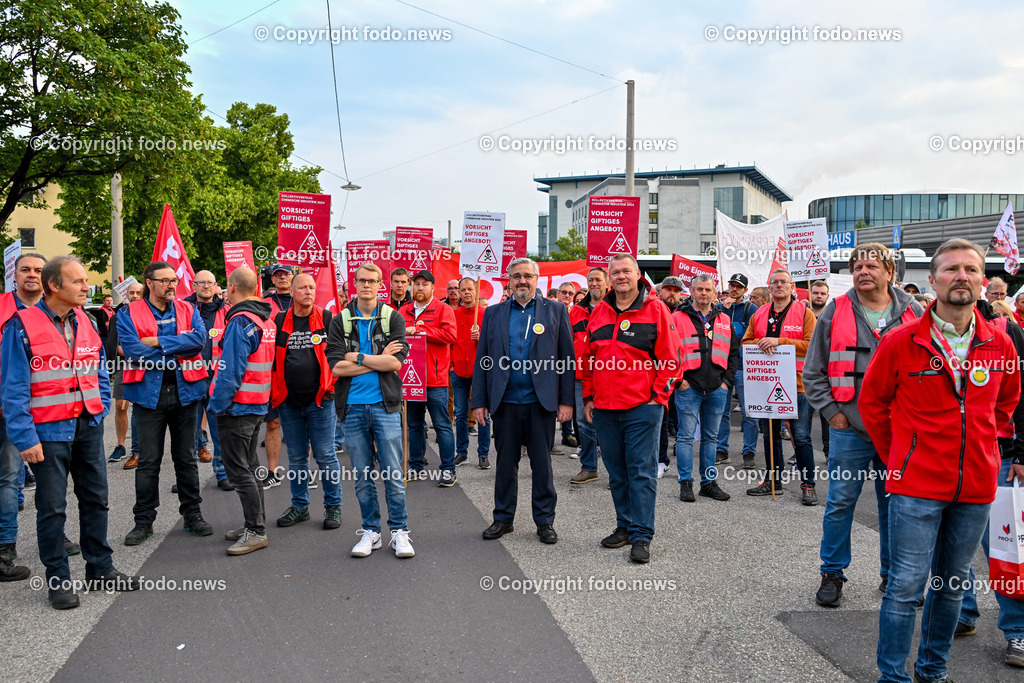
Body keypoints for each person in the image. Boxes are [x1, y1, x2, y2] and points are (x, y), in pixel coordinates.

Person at [861, 238, 1020, 683]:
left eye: (970, 270)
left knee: (951, 588)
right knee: (905, 588)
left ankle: (933, 672)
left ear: (983, 281)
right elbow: (873, 404)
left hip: (975, 487)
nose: (961, 277)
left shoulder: (1000, 344)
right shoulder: (901, 341)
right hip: (915, 486)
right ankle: (892, 677)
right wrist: (903, 452)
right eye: (951, 270)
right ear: (932, 281)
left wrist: (985, 445)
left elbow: (1006, 404)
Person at [1, 256, 138, 608]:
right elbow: (13, 387)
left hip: (88, 426)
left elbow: (99, 370)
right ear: (54, 286)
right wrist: (25, 437)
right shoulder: (21, 325)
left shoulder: (86, 320)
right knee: (52, 508)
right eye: (77, 281)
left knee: (96, 499)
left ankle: (100, 569)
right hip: (47, 433)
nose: (85, 287)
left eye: (85, 281)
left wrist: (101, 406)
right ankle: (59, 581)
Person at [803, 243, 923, 608]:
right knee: (840, 502)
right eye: (857, 266)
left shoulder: (915, 312)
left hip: (899, 431)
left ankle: (895, 576)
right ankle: (832, 573)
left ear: (890, 273)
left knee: (897, 505)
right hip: (849, 429)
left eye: (872, 265)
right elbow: (813, 371)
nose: (863, 271)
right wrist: (832, 413)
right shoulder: (836, 310)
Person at [582, 254, 682, 564]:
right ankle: (624, 526)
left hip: (642, 407)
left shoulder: (656, 310)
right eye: (616, 272)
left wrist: (658, 398)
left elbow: (673, 359)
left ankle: (641, 535)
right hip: (605, 408)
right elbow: (587, 360)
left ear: (638, 274)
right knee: (617, 471)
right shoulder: (598, 312)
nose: (621, 276)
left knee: (641, 471)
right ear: (609, 278)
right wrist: (588, 397)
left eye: (627, 270)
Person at [473, 258, 573, 545]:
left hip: (540, 402)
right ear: (509, 280)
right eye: (516, 276)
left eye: (528, 276)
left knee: (542, 466)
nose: (522, 281)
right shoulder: (493, 314)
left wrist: (566, 401)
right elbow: (483, 360)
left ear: (537, 279)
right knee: (505, 464)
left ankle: (544, 522)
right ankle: (503, 519)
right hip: (504, 402)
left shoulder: (555, 310)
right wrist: (479, 401)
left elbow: (566, 359)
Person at [118, 261, 212, 546]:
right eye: (165, 280)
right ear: (149, 282)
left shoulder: (188, 308)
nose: (172, 285)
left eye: (174, 280)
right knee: (148, 462)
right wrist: (175, 348)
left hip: (185, 393)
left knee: (186, 458)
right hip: (149, 396)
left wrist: (158, 341)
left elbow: (198, 341)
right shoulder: (128, 312)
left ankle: (192, 515)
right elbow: (133, 350)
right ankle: (143, 521)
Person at [326, 262, 413, 559]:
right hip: (351, 408)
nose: (366, 285)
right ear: (354, 283)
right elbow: (337, 367)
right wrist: (377, 358)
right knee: (362, 476)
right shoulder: (340, 321)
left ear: (380, 285)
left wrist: (360, 357)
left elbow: (395, 364)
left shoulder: (393, 318)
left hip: (385, 406)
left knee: (393, 473)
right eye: (361, 280)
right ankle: (371, 531)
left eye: (372, 281)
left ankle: (399, 531)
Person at [956, 296, 1024, 668]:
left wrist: (1021, 453)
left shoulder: (1004, 334)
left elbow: (1020, 398)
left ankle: (1018, 631)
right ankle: (962, 614)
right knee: (952, 541)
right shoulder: (925, 335)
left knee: (1003, 545)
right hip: (946, 459)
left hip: (997, 456)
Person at [209, 267, 275, 556]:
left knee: (238, 471)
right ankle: (255, 523)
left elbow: (230, 371)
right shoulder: (264, 318)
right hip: (257, 404)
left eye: (225, 287)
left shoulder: (239, 321)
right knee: (249, 467)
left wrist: (217, 405)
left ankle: (256, 531)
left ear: (232, 288)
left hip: (238, 407)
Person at [740, 268, 819, 505]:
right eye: (774, 282)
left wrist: (779, 341)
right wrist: (761, 343)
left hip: (796, 385)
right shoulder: (759, 313)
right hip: (765, 385)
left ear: (792, 286)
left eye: (784, 282)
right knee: (770, 436)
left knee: (802, 437)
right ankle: (772, 481)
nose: (779, 286)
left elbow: (810, 345)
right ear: (769, 286)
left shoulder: (805, 313)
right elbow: (745, 342)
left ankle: (808, 485)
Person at [270, 273, 342, 530]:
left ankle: (333, 506)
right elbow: (271, 359)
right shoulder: (278, 320)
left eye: (312, 287)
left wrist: (332, 386)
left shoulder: (326, 319)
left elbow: (338, 355)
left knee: (325, 455)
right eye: (303, 287)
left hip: (321, 401)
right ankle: (300, 507)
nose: (309, 291)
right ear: (292, 291)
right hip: (289, 402)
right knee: (297, 457)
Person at [672, 273, 739, 503]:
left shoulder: (724, 319)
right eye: (699, 289)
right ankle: (685, 483)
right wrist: (678, 379)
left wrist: (726, 382)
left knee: (711, 438)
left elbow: (732, 353)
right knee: (685, 437)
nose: (703, 293)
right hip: (688, 386)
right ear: (691, 291)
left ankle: (708, 483)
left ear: (714, 292)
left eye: (707, 290)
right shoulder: (677, 317)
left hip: (717, 388)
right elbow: (668, 351)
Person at [0, 252, 46, 582]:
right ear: (13, 275)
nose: (32, 275)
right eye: (25, 269)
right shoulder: (2, 307)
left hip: (49, 410)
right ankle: (5, 548)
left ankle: (53, 535)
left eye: (39, 271)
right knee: (8, 476)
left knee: (52, 478)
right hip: (8, 410)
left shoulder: (57, 310)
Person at [400, 270, 458, 485]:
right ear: (411, 287)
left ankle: (448, 469)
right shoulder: (404, 310)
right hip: (410, 378)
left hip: (435, 379)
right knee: (414, 425)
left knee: (441, 425)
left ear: (433, 287)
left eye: (425, 284)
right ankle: (415, 465)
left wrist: (422, 331)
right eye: (416, 284)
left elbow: (451, 336)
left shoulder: (442, 309)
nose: (420, 288)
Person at [568, 267, 610, 485]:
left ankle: (617, 472)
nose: (594, 283)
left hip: (610, 374)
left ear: (606, 283)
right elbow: (566, 343)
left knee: (611, 423)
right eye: (590, 280)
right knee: (584, 422)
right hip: (581, 374)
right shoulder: (575, 312)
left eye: (598, 280)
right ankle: (589, 468)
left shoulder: (615, 308)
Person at [715, 272, 759, 469]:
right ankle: (721, 450)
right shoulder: (718, 308)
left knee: (749, 412)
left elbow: (757, 336)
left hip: (744, 368)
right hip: (722, 367)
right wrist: (720, 311)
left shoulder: (751, 309)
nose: (734, 289)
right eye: (732, 285)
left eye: (738, 287)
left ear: (745, 291)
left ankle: (749, 452)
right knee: (721, 412)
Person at [183, 271, 224, 471]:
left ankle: (222, 473)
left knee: (219, 431)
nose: (206, 286)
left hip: (217, 379)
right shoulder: (182, 309)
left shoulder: (226, 311)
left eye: (210, 282)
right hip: (191, 378)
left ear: (216, 285)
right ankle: (187, 477)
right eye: (201, 282)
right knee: (189, 432)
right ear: (194, 285)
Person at [260, 264, 294, 488]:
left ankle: (302, 471)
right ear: (272, 279)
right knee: (272, 423)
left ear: (293, 277)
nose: (282, 278)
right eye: (278, 275)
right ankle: (272, 471)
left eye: (286, 274)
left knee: (303, 424)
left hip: (298, 370)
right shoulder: (263, 305)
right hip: (272, 370)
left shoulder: (304, 299)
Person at [451, 277, 490, 469]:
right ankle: (462, 452)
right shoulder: (453, 314)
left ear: (476, 291)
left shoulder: (486, 314)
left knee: (483, 413)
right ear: (458, 292)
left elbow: (495, 342)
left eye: (469, 289)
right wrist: (451, 363)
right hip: (458, 370)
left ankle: (483, 453)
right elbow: (449, 340)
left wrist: (481, 336)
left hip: (480, 370)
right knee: (460, 413)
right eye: (463, 289)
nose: (466, 292)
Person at [109, 282, 144, 469]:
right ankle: (121, 445)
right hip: (125, 365)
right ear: (126, 295)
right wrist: (138, 351)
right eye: (132, 292)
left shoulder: (149, 315)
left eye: (139, 292)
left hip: (147, 366)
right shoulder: (118, 317)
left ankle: (139, 450)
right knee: (121, 406)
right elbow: (114, 347)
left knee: (140, 408)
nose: (135, 295)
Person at [655, 276, 686, 478]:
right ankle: (661, 460)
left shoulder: (685, 314)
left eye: (676, 290)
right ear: (661, 292)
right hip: (661, 377)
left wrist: (683, 375)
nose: (672, 293)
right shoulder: (654, 311)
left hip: (682, 378)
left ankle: (682, 460)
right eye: (668, 289)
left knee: (682, 421)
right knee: (662, 422)